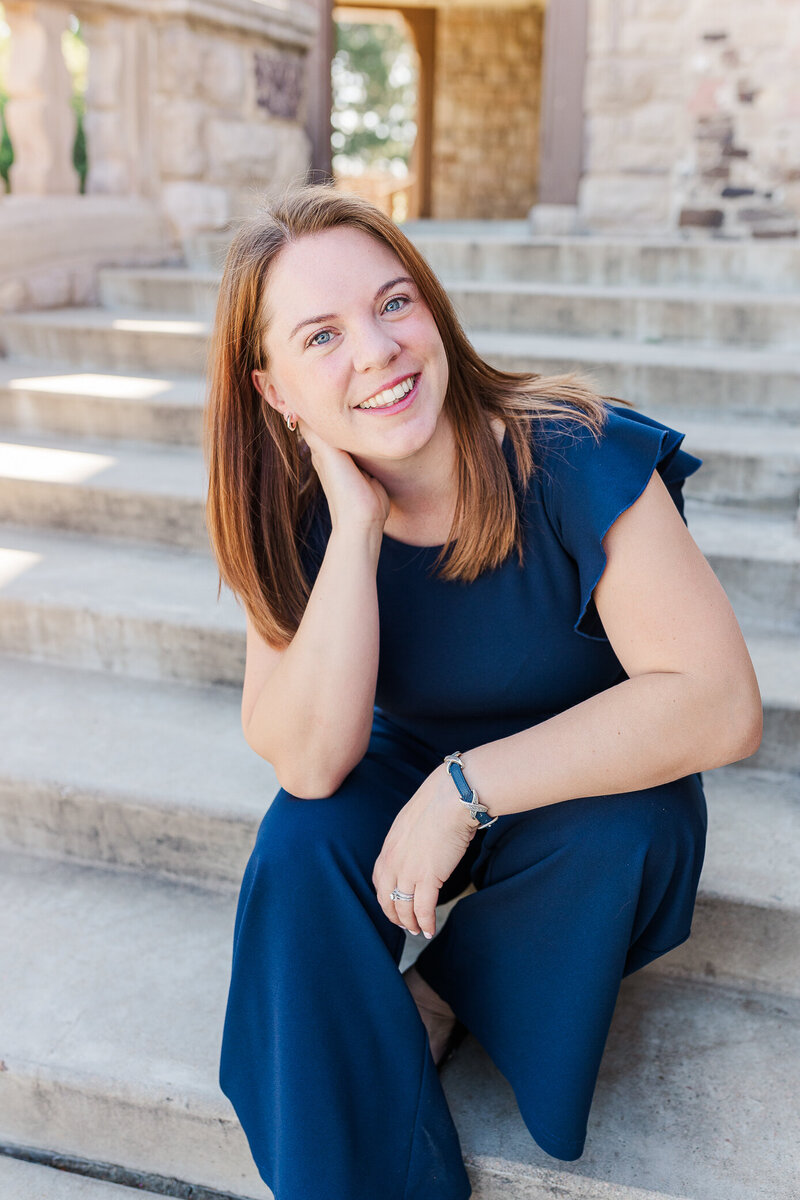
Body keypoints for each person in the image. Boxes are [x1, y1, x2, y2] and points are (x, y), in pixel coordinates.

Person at [205, 181, 762, 1200]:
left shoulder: (572, 448)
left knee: (630, 833)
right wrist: (352, 528)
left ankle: (450, 986)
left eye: (391, 303)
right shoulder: (293, 517)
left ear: (430, 307)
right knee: (297, 845)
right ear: (273, 390)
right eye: (319, 337)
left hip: (587, 787)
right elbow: (309, 757)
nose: (375, 351)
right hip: (403, 763)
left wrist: (462, 790)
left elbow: (719, 704)